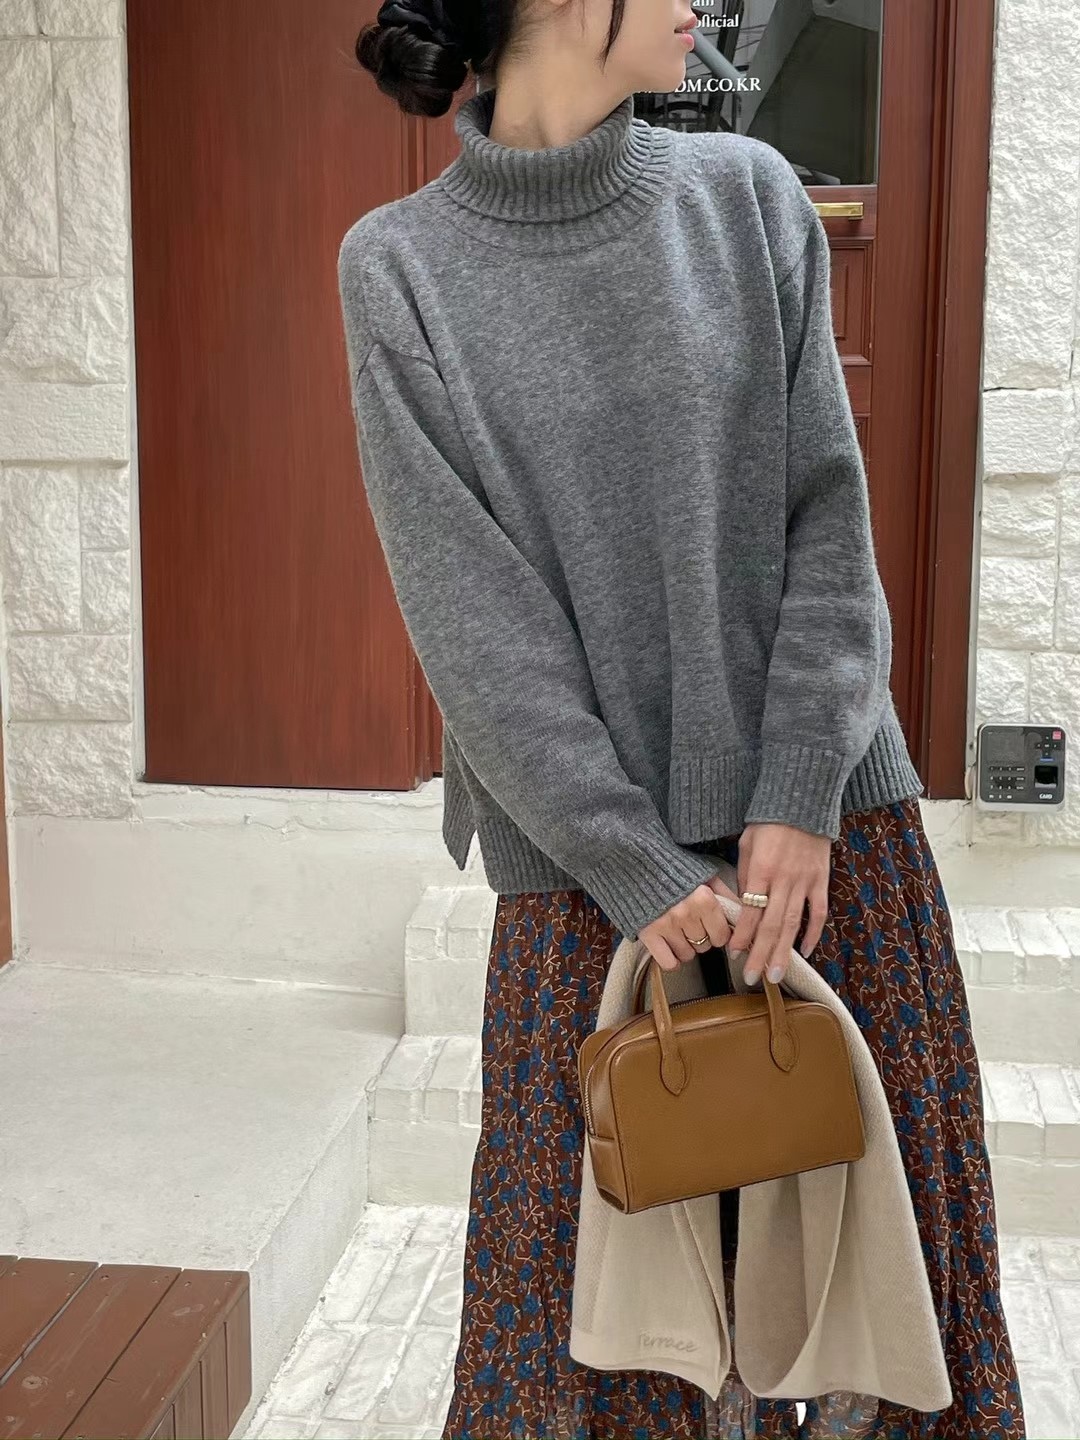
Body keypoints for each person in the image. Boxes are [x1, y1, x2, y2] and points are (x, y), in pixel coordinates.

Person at [337, 0, 1026, 1434]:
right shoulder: (399, 269)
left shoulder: (749, 197)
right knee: (599, 1350)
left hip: (824, 856)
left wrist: (798, 795)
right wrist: (634, 862)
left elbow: (828, 520)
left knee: (872, 1316)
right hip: (591, 892)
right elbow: (473, 622)